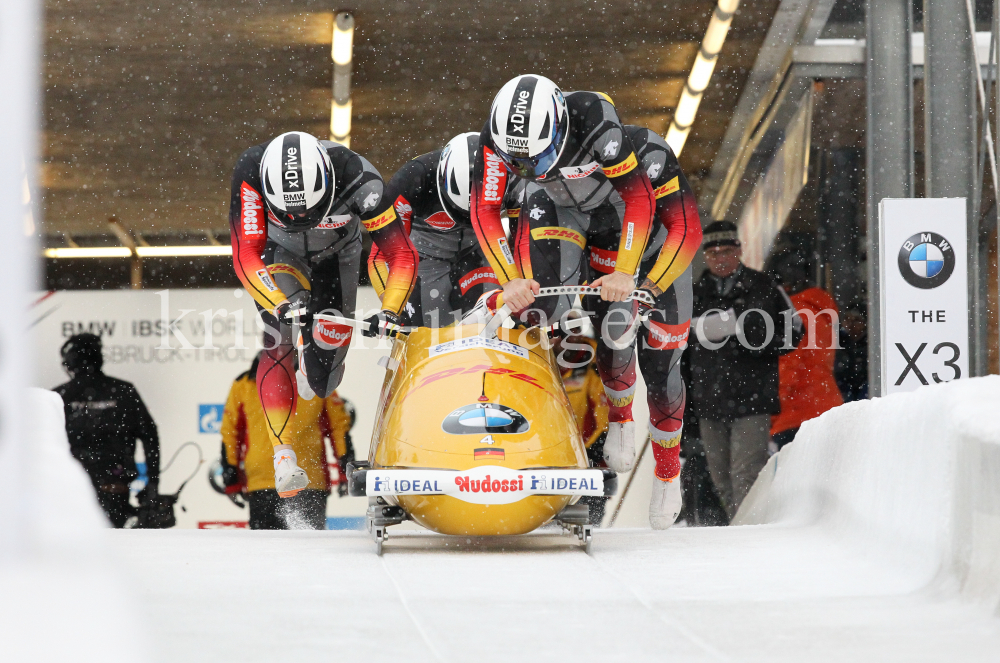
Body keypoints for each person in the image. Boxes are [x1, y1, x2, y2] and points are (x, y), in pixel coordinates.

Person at [469, 75, 656, 487]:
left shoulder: (595, 119)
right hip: (553, 203)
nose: (526, 168)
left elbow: (640, 197)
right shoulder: (495, 140)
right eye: (517, 161)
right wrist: (510, 279)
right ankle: (526, 409)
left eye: (534, 158)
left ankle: (622, 414)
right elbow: (484, 211)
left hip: (614, 207)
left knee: (615, 320)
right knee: (535, 306)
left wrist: (625, 269)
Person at [229, 131, 417, 498]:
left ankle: (310, 360)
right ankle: (283, 456)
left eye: (310, 212)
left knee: (323, 382)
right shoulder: (250, 172)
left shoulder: (360, 180)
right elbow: (244, 254)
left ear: (329, 185)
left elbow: (401, 254)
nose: (301, 218)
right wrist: (276, 302)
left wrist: (390, 310)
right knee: (277, 336)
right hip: (278, 254)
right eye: (290, 213)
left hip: (337, 258)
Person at [688, 222, 801, 520]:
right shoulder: (693, 294)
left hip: (752, 396)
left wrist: (755, 343)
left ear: (739, 250)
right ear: (704, 256)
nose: (720, 258)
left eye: (726, 251)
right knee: (721, 477)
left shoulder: (765, 287)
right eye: (712, 253)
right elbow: (678, 348)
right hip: (708, 398)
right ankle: (741, 527)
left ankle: (745, 533)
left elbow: (795, 332)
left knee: (745, 473)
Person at [368, 133, 501, 326]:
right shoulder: (412, 180)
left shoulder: (507, 175)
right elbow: (380, 255)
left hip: (476, 251)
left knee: (484, 321)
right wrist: (390, 309)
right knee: (424, 326)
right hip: (425, 257)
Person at [219, 353, 354, 529]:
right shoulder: (318, 380)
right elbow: (339, 429)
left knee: (269, 552)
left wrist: (232, 479)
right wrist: (346, 470)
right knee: (306, 550)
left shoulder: (244, 384)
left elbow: (230, 434)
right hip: (301, 479)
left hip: (272, 482)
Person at [53, 333, 160, 528]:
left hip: (68, 492)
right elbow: (150, 437)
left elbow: (37, 442)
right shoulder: (124, 391)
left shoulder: (59, 396)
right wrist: (152, 484)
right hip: (113, 489)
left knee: (71, 550)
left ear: (71, 362)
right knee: (113, 547)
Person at [769, 258, 844, 449]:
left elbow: (788, 366)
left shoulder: (794, 316)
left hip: (797, 413)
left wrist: (771, 411)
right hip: (825, 405)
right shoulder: (818, 311)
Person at [552, 323, 610, 525]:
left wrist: (588, 456)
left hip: (587, 463)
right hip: (547, 461)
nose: (568, 338)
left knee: (589, 523)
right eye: (560, 333)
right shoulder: (539, 362)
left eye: (574, 330)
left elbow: (604, 421)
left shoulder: (593, 363)